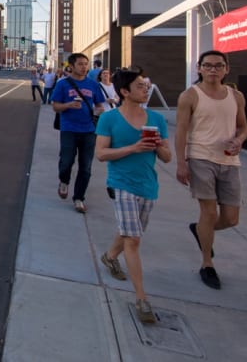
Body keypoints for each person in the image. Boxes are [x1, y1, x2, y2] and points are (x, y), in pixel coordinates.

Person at [96, 69, 172, 324]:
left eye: (146, 85)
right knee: (134, 239)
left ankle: (109, 256)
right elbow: (102, 154)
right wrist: (133, 147)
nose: (146, 89)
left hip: (148, 185)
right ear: (124, 92)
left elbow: (167, 157)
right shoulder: (109, 119)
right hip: (120, 183)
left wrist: (160, 145)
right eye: (140, 85)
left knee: (130, 231)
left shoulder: (157, 119)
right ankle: (142, 298)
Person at [175, 50, 247, 290]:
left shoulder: (236, 96)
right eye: (208, 66)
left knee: (230, 218)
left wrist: (239, 140)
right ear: (199, 68)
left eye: (218, 66)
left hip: (229, 161)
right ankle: (207, 264)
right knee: (208, 212)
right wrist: (181, 162)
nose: (213, 70)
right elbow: (181, 131)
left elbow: (243, 127)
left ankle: (200, 231)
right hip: (200, 158)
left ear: (226, 69)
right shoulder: (189, 96)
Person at [52, 53, 106, 213]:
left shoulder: (93, 85)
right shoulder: (63, 84)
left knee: (86, 167)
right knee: (66, 161)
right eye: (81, 64)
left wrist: (98, 111)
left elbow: (99, 105)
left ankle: (79, 198)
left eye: (86, 64)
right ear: (72, 66)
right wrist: (68, 105)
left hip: (89, 130)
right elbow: (55, 106)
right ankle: (64, 181)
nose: (84, 67)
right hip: (68, 128)